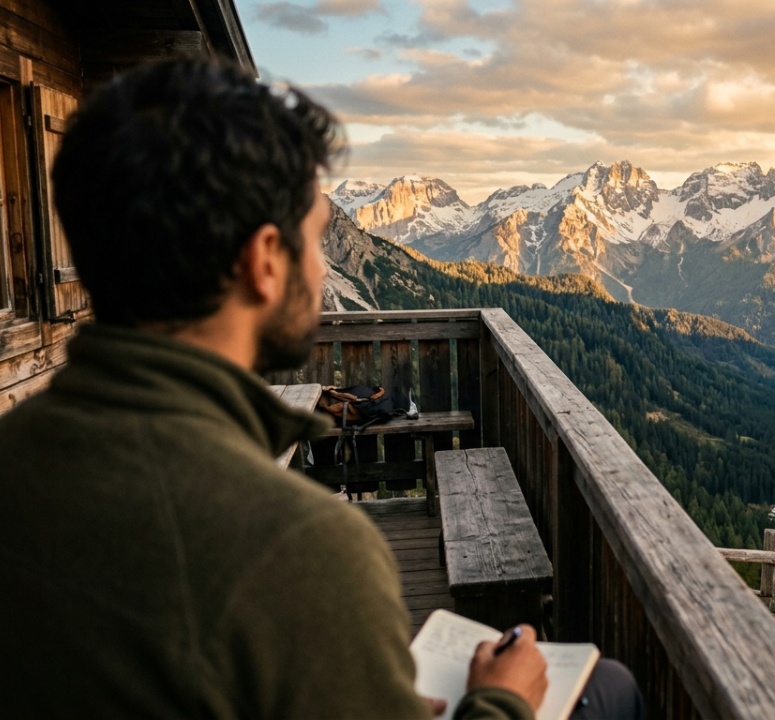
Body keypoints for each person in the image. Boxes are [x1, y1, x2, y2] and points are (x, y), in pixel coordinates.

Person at [0, 58, 553, 718]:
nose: (322, 268)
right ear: (264, 262)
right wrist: (501, 701)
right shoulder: (302, 550)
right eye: (316, 239)